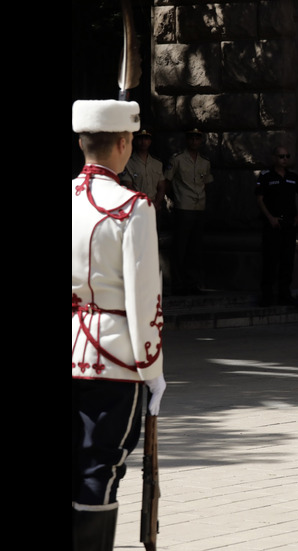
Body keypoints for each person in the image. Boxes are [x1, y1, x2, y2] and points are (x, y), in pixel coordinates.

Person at [72, 99, 166, 550]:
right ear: (126, 142)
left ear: (80, 141)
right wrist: (153, 369)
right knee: (99, 472)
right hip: (111, 360)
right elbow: (143, 296)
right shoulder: (133, 207)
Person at [256, 145, 298, 307]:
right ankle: (267, 295)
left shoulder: (293, 177)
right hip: (272, 224)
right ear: (274, 158)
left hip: (289, 224)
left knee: (287, 261)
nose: (285, 159)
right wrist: (270, 217)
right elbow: (259, 198)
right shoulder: (266, 176)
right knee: (270, 260)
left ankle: (284, 294)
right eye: (281, 156)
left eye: (287, 156)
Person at [165, 128, 214, 294]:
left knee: (195, 247)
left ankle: (192, 283)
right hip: (183, 206)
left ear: (201, 141)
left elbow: (206, 183)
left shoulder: (204, 162)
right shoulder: (177, 159)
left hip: (199, 206)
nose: (194, 141)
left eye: (197, 138)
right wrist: (175, 198)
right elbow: (167, 182)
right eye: (191, 138)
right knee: (180, 247)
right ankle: (178, 284)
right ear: (187, 140)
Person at [120, 129, 167, 210]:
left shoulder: (157, 163)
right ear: (134, 141)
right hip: (136, 205)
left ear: (150, 141)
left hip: (154, 205)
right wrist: (144, 203)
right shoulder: (128, 163)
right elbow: (128, 186)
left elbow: (162, 186)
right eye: (140, 138)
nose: (143, 141)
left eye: (146, 138)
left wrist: (156, 203)